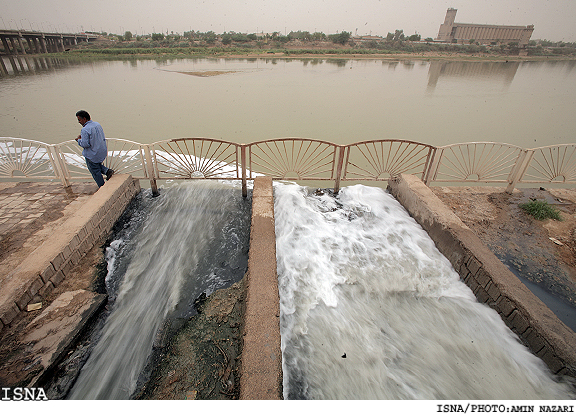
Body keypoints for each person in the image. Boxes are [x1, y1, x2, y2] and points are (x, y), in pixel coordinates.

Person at [75, 110, 113, 187]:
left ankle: (102, 187)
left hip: (93, 154)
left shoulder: (85, 129)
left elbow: (85, 144)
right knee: (96, 165)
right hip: (101, 151)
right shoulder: (97, 124)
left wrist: (79, 140)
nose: (78, 122)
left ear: (84, 119)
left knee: (95, 170)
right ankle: (107, 171)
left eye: (79, 120)